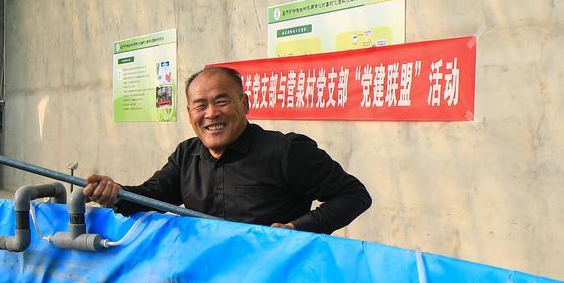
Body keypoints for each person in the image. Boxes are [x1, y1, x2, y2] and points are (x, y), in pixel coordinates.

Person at [82, 66, 370, 234]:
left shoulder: (286, 151)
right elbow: (151, 197)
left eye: (222, 101)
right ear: (189, 112)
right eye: (200, 105)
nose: (211, 114)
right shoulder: (186, 155)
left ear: (244, 104)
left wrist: (296, 229)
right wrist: (115, 193)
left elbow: (354, 196)